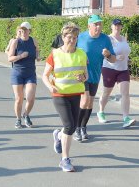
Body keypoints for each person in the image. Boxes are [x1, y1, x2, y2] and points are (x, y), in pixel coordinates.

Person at [42, 23, 88, 172]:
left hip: (76, 93)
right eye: (69, 37)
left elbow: (86, 74)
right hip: (59, 94)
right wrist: (50, 86)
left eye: (75, 38)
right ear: (63, 37)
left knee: (73, 126)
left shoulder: (81, 53)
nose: (72, 40)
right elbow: (45, 75)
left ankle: (58, 135)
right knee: (69, 126)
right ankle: (65, 160)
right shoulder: (55, 54)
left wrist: (83, 77)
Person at [74, 14, 116, 141]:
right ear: (89, 26)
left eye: (100, 24)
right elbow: (70, 52)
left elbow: (113, 60)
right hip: (81, 74)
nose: (98, 27)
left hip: (95, 74)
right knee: (85, 99)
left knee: (90, 102)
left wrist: (108, 54)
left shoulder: (105, 39)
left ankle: (83, 127)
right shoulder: (80, 38)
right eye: (95, 24)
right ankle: (76, 128)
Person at [97, 18, 136, 128]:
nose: (117, 27)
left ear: (121, 27)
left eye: (119, 25)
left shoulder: (124, 38)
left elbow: (126, 52)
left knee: (125, 93)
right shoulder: (108, 39)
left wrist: (126, 59)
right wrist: (116, 57)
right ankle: (100, 112)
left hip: (123, 70)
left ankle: (126, 118)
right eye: (115, 25)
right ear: (111, 26)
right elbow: (104, 53)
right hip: (109, 69)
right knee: (106, 93)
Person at [8, 21, 40, 128]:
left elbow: (37, 50)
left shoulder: (33, 40)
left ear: (29, 31)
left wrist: (38, 56)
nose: (23, 32)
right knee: (19, 99)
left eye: (26, 30)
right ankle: (18, 119)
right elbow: (10, 58)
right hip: (17, 73)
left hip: (30, 73)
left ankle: (26, 114)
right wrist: (20, 56)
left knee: (30, 98)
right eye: (22, 30)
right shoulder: (15, 42)